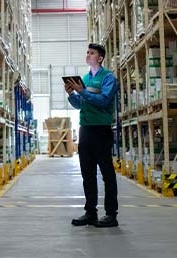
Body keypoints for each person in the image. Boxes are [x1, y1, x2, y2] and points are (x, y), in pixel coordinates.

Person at [65, 43, 119, 228]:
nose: (88, 55)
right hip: (86, 130)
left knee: (107, 174)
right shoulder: (85, 78)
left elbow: (104, 101)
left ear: (100, 58)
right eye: (87, 52)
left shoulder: (108, 78)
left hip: (101, 129)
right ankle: (90, 213)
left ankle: (111, 214)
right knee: (87, 174)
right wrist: (72, 94)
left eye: (92, 53)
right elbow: (80, 104)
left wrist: (82, 91)